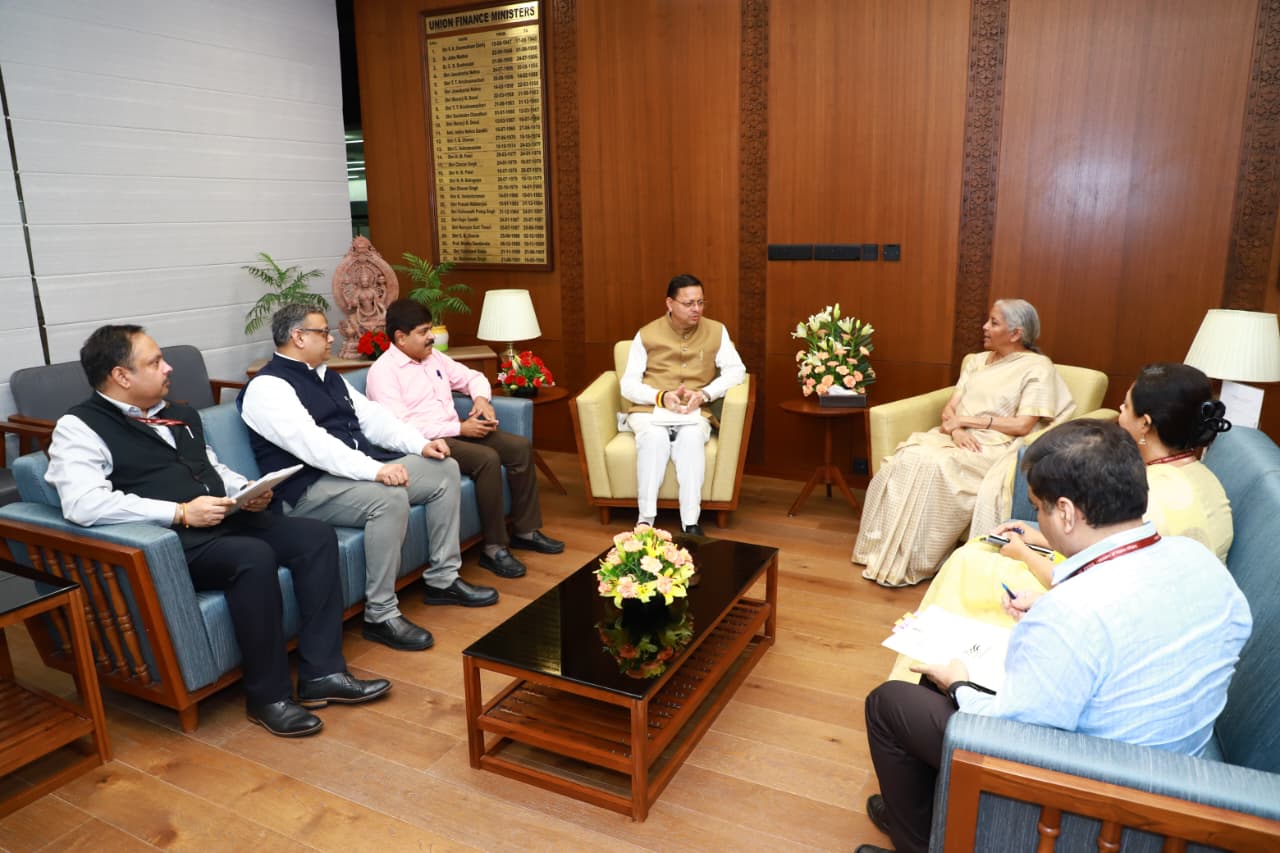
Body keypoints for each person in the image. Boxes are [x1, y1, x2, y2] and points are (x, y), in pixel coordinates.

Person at [857, 420, 1251, 853]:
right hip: (1177, 770)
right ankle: (939, 815)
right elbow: (1147, 622)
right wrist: (1050, 611)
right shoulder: (1195, 557)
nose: (1038, 520)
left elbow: (1014, 732)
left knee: (891, 702)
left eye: (1038, 509)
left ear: (1065, 512)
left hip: (1094, 796)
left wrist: (960, 684)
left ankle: (920, 843)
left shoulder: (1073, 611)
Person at [45, 325, 390, 738]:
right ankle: (268, 698)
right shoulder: (79, 427)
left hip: (225, 519)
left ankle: (322, 674)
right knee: (253, 557)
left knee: (314, 537)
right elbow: (83, 504)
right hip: (175, 542)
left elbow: (211, 468)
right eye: (155, 362)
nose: (168, 368)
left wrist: (246, 490)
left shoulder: (180, 414)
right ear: (121, 376)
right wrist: (179, 513)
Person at [887, 362, 1234, 682]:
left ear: (1145, 423)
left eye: (1126, 406)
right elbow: (1105, 548)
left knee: (971, 565)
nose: (1119, 411)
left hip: (1129, 622)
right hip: (1134, 596)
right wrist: (1038, 537)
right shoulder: (1195, 476)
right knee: (979, 552)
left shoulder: (1153, 499)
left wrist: (1024, 553)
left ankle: (929, 672)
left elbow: (1091, 586)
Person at [239, 304, 499, 655]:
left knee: (443, 468)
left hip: (353, 472)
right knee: (388, 498)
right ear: (298, 337)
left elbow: (375, 420)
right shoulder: (267, 387)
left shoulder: (328, 376)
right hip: (307, 490)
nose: (331, 338)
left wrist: (420, 445)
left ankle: (443, 580)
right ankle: (381, 614)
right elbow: (315, 447)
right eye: (323, 332)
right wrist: (375, 471)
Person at [852, 299, 1075, 587]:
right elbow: (950, 408)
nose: (984, 327)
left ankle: (918, 560)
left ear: (1015, 333)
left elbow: (1023, 424)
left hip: (994, 444)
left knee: (939, 464)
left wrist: (969, 422)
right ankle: (881, 553)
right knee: (908, 457)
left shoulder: (1037, 367)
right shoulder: (976, 362)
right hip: (956, 435)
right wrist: (957, 430)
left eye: (993, 322)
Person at [365, 298, 564, 578]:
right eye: (423, 332)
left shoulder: (433, 358)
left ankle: (526, 531)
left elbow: (473, 377)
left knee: (519, 448)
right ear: (400, 337)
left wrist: (481, 399)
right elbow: (401, 427)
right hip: (428, 444)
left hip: (456, 430)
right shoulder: (383, 373)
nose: (431, 337)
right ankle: (494, 548)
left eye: (430, 329)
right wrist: (460, 428)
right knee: (487, 459)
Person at [619, 273, 746, 535]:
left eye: (700, 302)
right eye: (688, 303)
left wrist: (705, 394)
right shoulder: (646, 334)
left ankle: (690, 522)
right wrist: (660, 396)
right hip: (650, 409)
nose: (696, 309)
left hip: (694, 410)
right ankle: (645, 521)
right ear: (670, 303)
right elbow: (628, 384)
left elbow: (736, 371)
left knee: (690, 439)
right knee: (654, 439)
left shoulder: (717, 331)